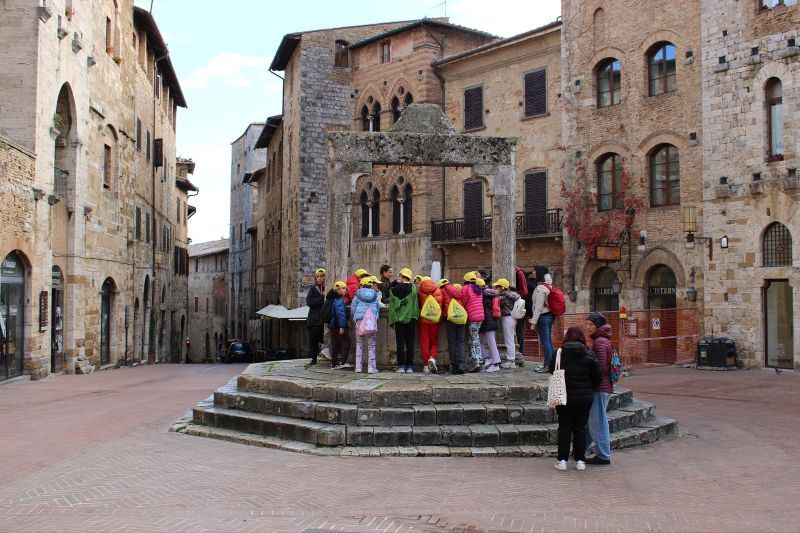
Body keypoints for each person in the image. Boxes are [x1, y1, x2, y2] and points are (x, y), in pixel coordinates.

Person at [549, 326, 601, 472]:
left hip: (563, 396)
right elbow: (597, 376)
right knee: (580, 428)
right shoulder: (589, 354)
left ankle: (562, 460)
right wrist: (588, 386)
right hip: (584, 397)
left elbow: (551, 369)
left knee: (564, 427)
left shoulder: (559, 353)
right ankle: (580, 461)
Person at [585, 312, 614, 465]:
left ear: (598, 326)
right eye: (587, 324)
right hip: (603, 386)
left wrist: (590, 380)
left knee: (598, 422)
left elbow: (600, 367)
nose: (587, 327)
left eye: (591, 324)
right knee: (592, 421)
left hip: (599, 387)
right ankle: (580, 449)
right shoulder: (602, 340)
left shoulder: (600, 342)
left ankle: (603, 455)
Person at [389, 268, 419, 373]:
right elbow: (415, 305)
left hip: (399, 320)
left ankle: (401, 366)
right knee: (410, 343)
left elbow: (392, 306)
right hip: (411, 318)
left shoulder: (394, 290)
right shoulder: (413, 288)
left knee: (400, 343)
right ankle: (409, 366)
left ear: (402, 276)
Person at [351, 276, 381, 374]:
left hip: (360, 321)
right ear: (371, 285)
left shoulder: (357, 295)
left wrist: (354, 318)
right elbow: (377, 309)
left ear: (361, 285)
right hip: (371, 321)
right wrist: (376, 318)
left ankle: (358, 367)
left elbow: (353, 309)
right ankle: (371, 368)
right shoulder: (374, 295)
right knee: (372, 344)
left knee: (359, 343)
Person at [529, 265, 555, 373]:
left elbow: (538, 307)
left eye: (534, 271)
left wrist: (533, 322)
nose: (533, 273)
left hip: (543, 317)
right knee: (548, 341)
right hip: (550, 315)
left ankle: (547, 365)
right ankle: (552, 364)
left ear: (538, 272)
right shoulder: (548, 285)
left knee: (545, 342)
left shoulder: (540, 288)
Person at [494, 278, 521, 370]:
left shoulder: (503, 296)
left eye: (497, 287)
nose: (496, 288)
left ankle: (511, 361)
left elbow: (496, 300)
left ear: (502, 287)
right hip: (512, 318)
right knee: (510, 339)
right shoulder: (511, 294)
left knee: (509, 340)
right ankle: (511, 360)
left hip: (507, 318)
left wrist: (496, 293)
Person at [439, 279, 465, 374]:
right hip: (461, 317)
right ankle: (460, 365)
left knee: (452, 342)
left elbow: (440, 305)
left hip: (450, 319)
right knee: (461, 342)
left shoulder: (442, 291)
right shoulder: (456, 289)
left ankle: (454, 365)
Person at [417, 276, 443, 374]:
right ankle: (432, 358)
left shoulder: (420, 292)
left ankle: (426, 365)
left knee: (424, 342)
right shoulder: (439, 291)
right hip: (435, 320)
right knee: (434, 342)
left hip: (424, 321)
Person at [461, 271, 485, 373]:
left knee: (474, 338)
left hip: (472, 317)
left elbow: (463, 301)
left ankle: (476, 361)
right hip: (480, 316)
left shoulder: (465, 288)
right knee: (475, 337)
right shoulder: (478, 288)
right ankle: (479, 360)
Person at [478, 279, 501, 372]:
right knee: (480, 340)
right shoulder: (490, 293)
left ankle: (496, 363)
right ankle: (487, 358)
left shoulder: (483, 295)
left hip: (487, 321)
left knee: (491, 342)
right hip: (489, 320)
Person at [326, 281, 351, 369]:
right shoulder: (339, 300)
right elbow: (341, 315)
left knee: (335, 344)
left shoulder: (331, 298)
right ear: (338, 289)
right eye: (343, 288)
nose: (345, 290)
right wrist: (342, 326)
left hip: (332, 325)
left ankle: (334, 364)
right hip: (337, 325)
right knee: (347, 342)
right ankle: (342, 362)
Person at [305, 268, 326, 365]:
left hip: (321, 317)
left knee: (317, 334)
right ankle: (314, 358)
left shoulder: (327, 288)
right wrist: (321, 298)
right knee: (312, 338)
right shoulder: (313, 289)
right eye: (318, 277)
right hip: (313, 317)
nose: (319, 278)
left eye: (321, 276)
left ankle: (322, 351)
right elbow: (309, 302)